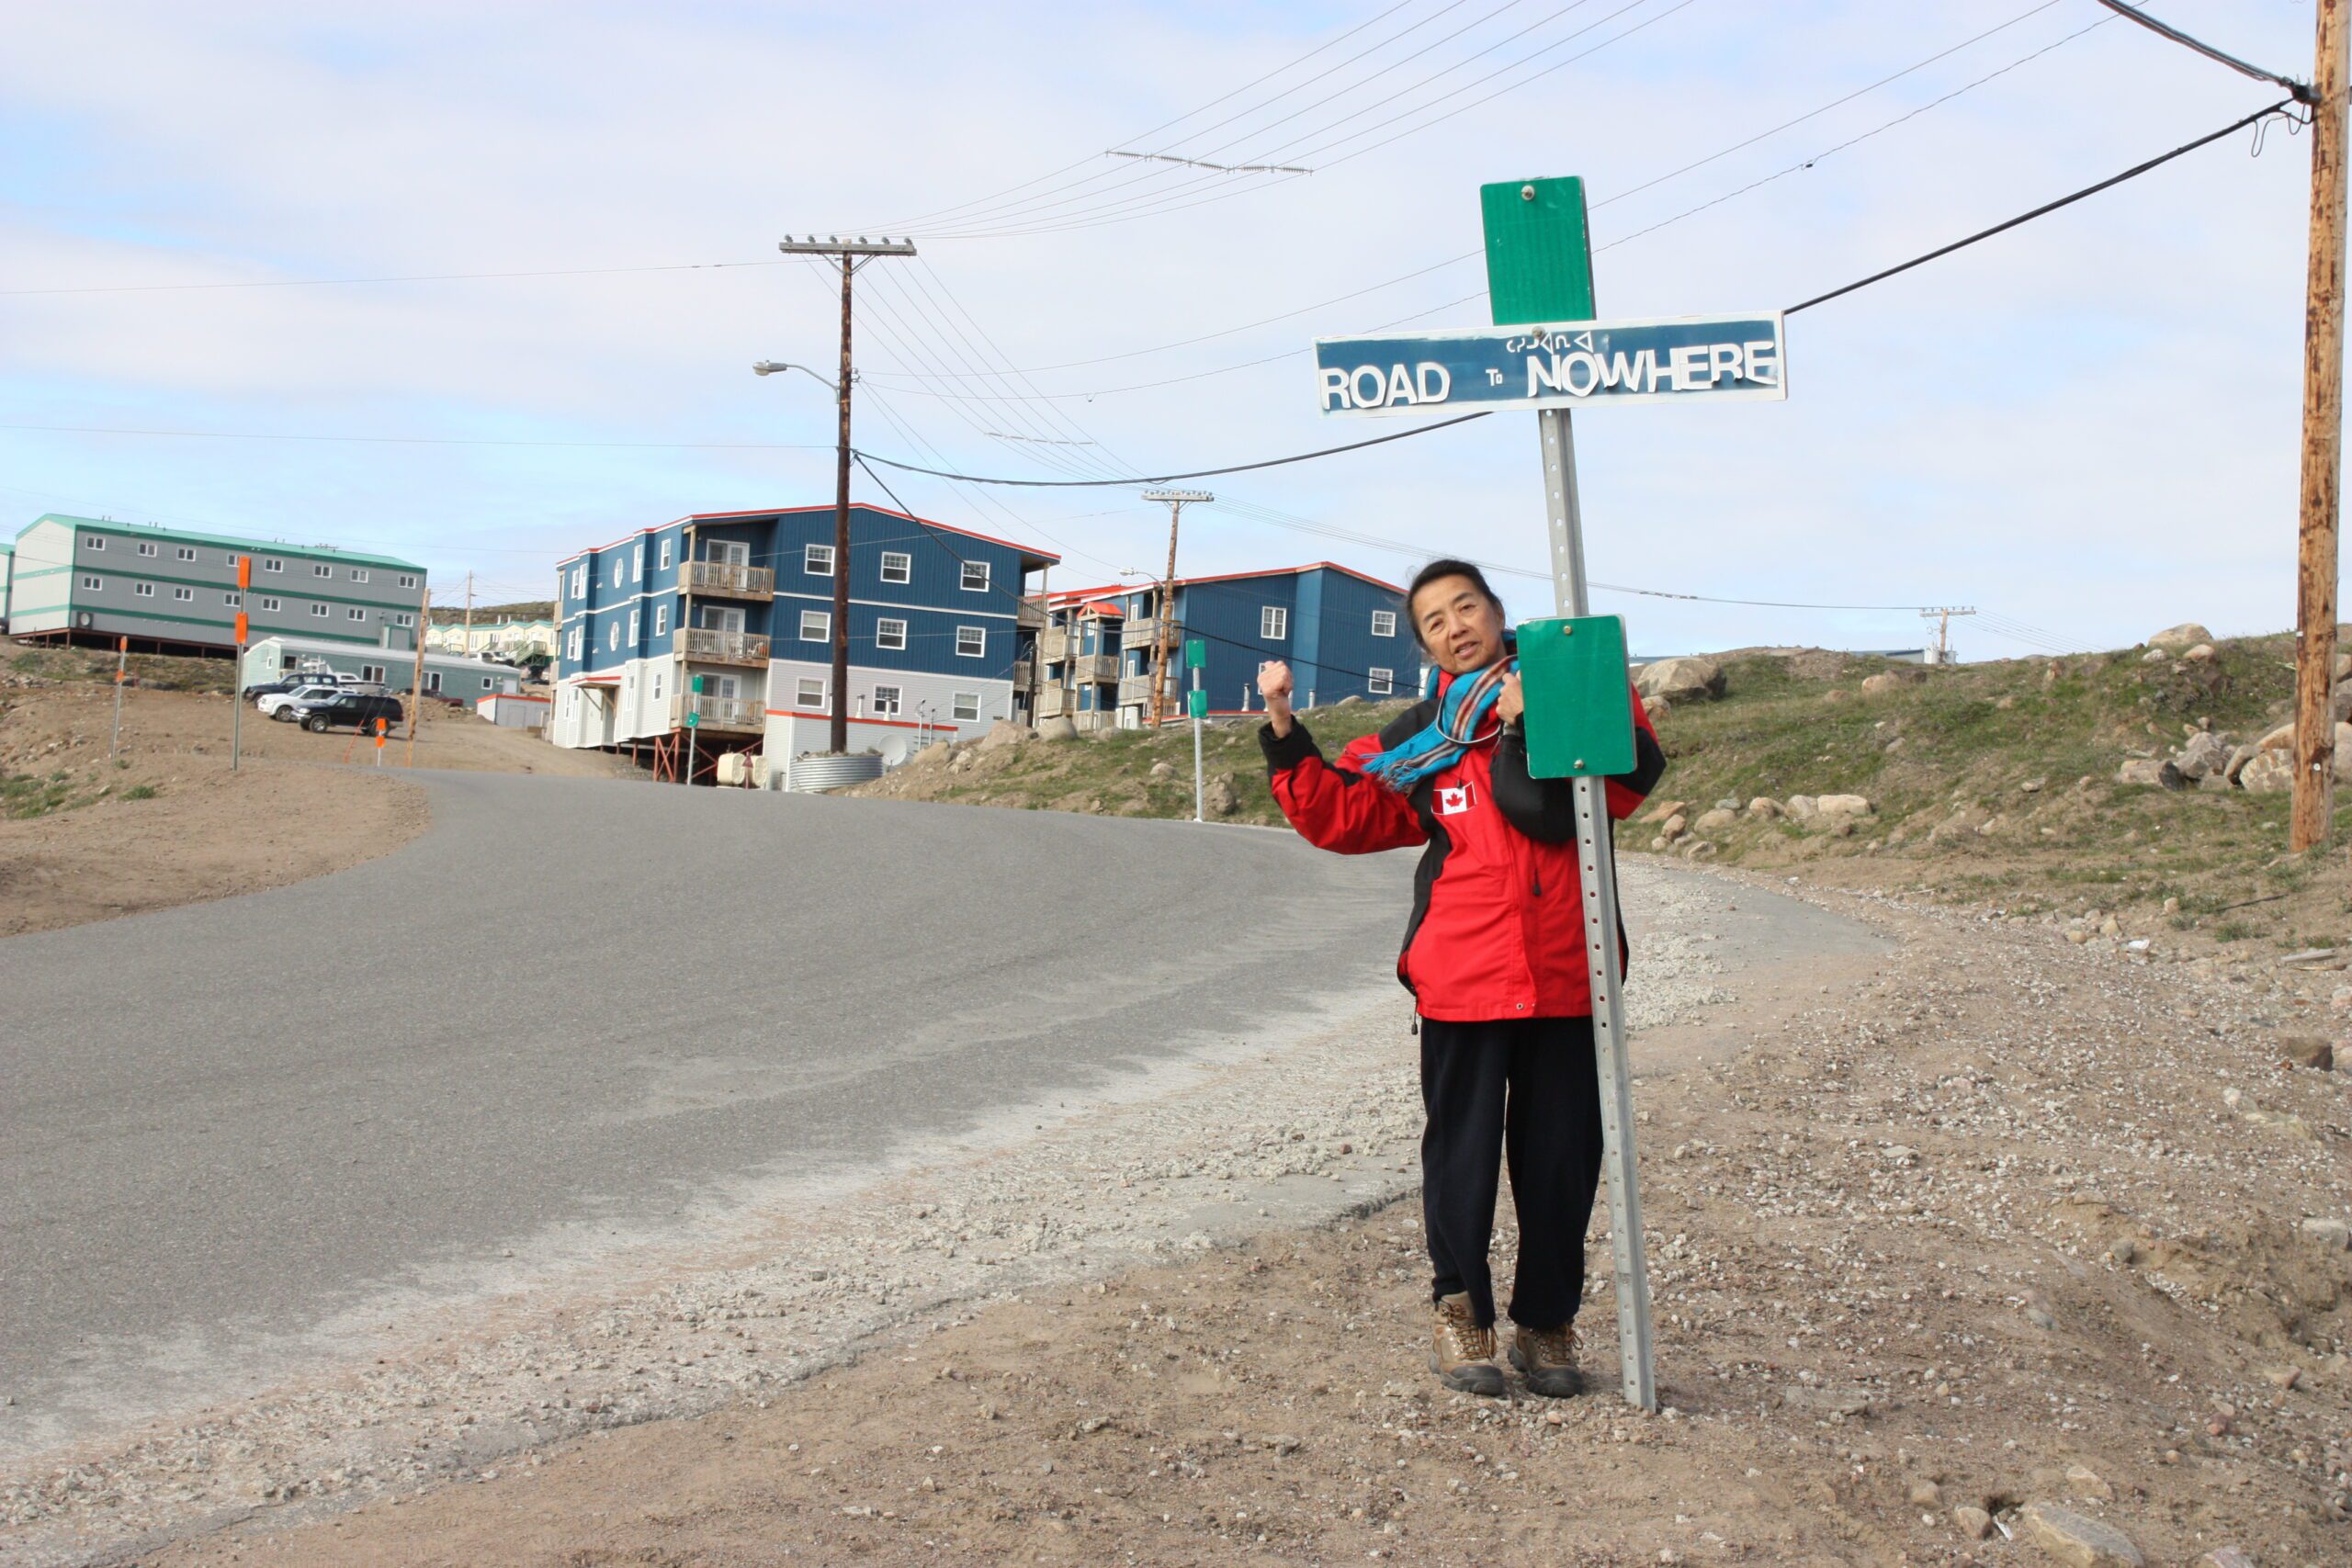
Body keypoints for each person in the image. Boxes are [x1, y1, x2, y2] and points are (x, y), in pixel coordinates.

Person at [1254, 559, 1664, 1397]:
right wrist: (1285, 730)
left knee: (1561, 1162)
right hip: (1463, 978)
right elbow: (1342, 811)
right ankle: (1460, 1315)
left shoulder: (1569, 682)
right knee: (1462, 1160)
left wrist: (1538, 714)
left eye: (1465, 606)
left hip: (1568, 970)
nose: (1455, 626)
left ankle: (1546, 1325)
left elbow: (1630, 783)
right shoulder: (1420, 736)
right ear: (1426, 647)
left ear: (1497, 611)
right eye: (1434, 621)